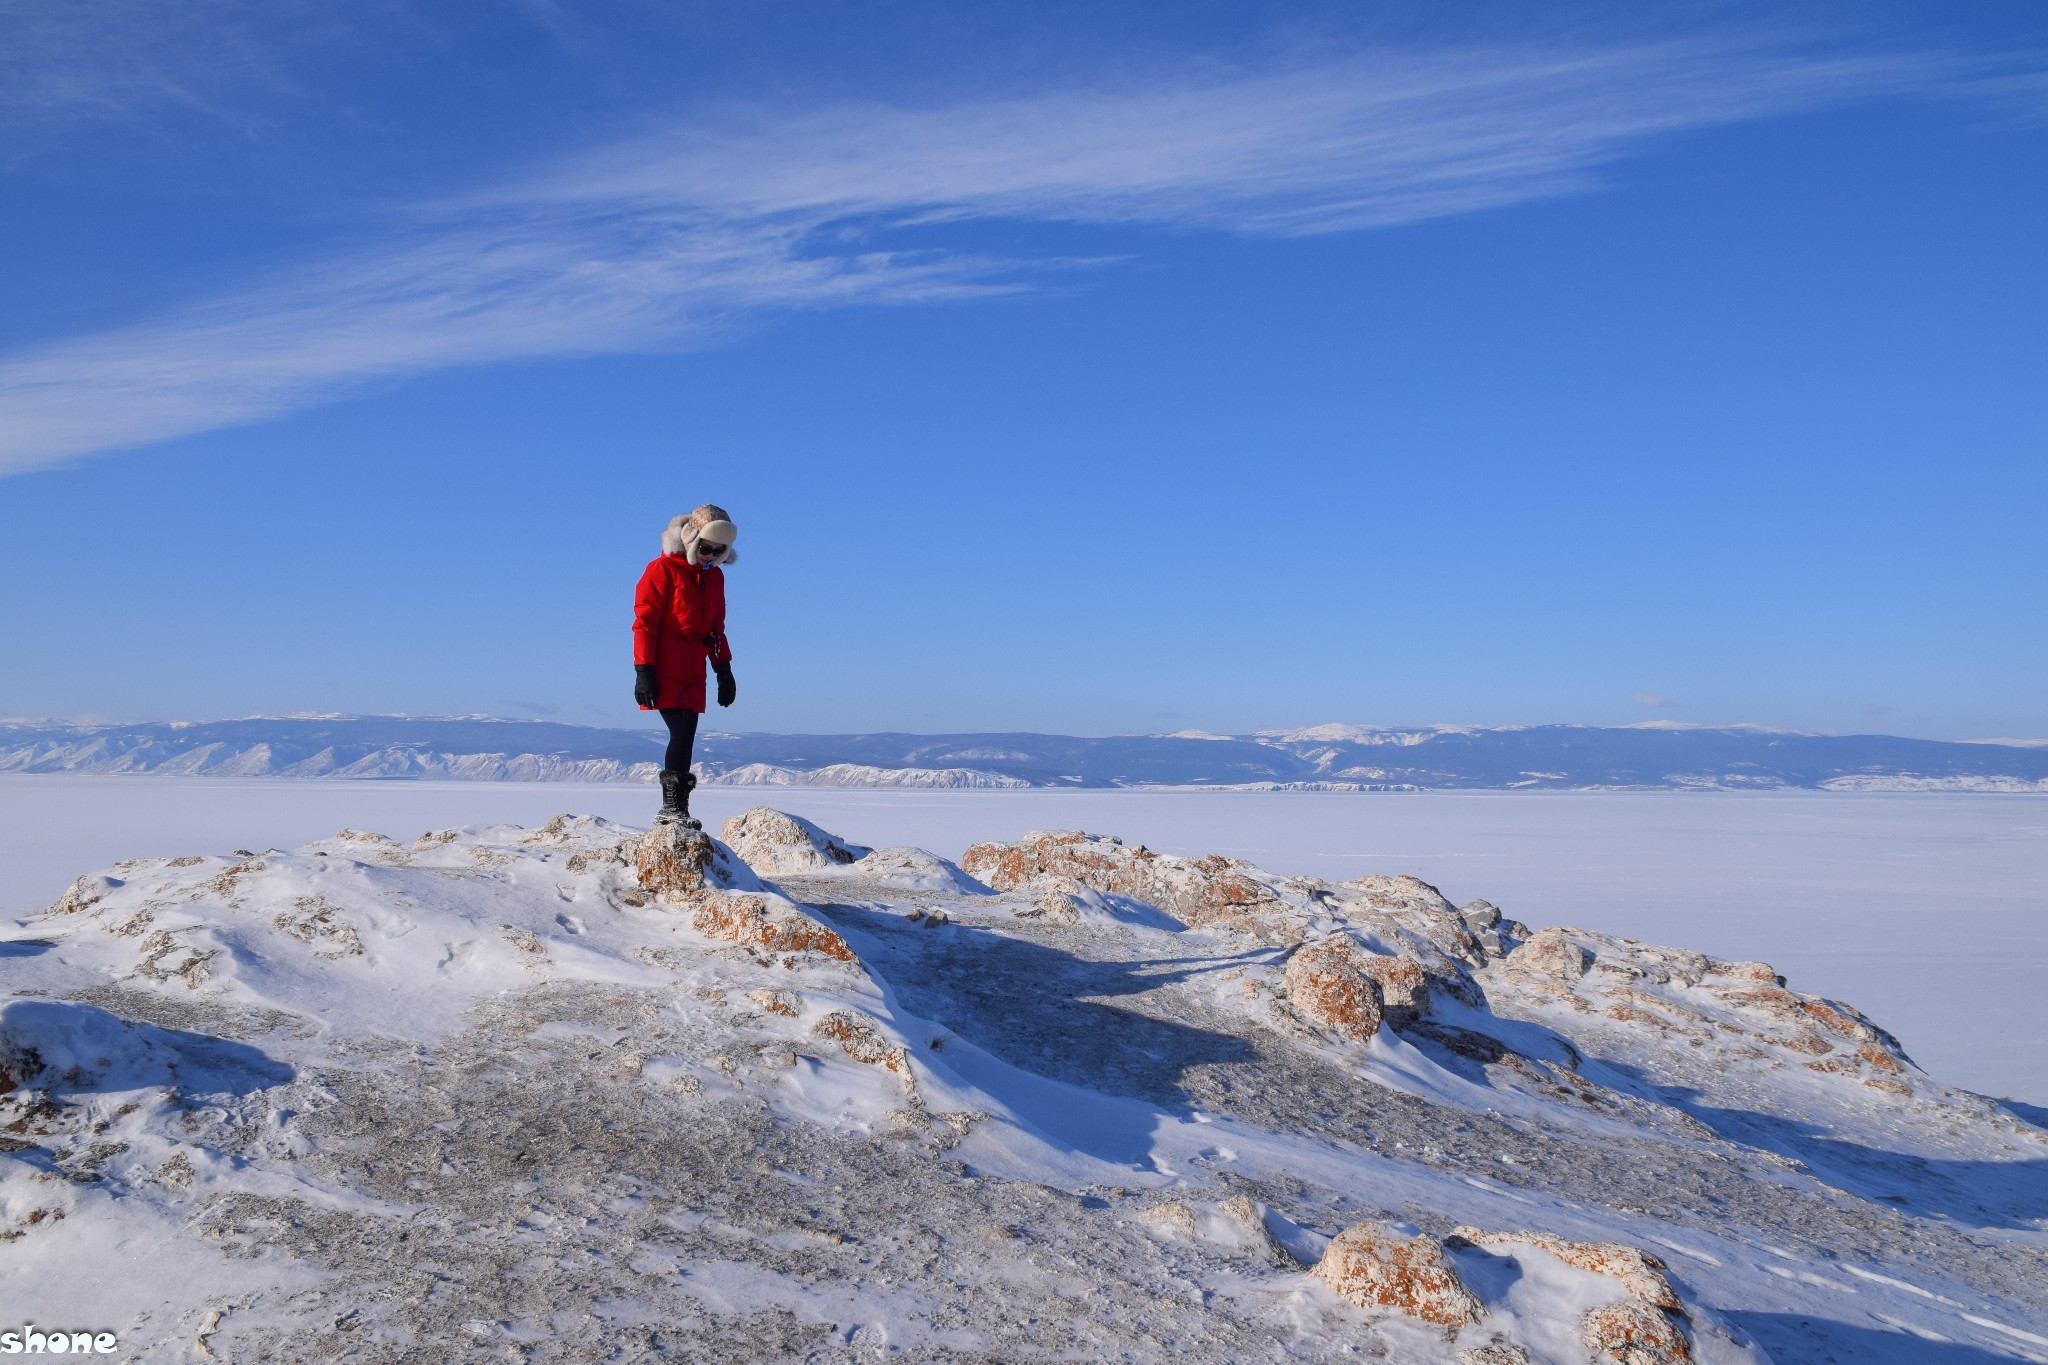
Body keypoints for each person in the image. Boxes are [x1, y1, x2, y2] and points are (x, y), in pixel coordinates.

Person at [632, 504, 739, 827]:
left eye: (718, 551)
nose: (710, 555)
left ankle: (678, 809)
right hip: (664, 666)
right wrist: (644, 671)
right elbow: (644, 623)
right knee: (681, 730)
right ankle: (671, 809)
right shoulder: (662, 570)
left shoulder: (715, 579)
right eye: (706, 548)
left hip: (694, 670)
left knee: (687, 732)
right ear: (691, 540)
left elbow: (715, 629)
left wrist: (724, 669)